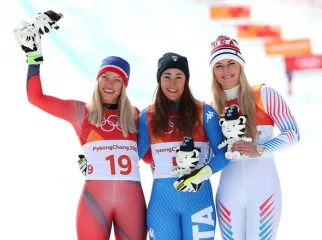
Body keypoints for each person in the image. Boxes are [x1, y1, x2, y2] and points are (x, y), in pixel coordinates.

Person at [15, 14, 147, 240]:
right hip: (94, 204)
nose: (109, 84)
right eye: (105, 77)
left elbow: (150, 154)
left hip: (131, 203)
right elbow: (36, 98)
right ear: (97, 80)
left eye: (117, 80)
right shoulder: (81, 113)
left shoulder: (135, 116)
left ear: (124, 86)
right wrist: (33, 57)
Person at [209, 35, 300, 240]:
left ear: (241, 65)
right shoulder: (212, 108)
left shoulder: (264, 94)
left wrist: (260, 149)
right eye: (219, 65)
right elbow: (207, 153)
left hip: (263, 188)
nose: (226, 71)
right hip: (228, 190)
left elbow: (293, 133)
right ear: (213, 71)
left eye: (231, 63)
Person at [138, 52, 229, 240]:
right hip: (162, 205)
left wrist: (203, 173)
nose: (173, 84)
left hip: (198, 201)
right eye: (167, 77)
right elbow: (133, 155)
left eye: (179, 77)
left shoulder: (204, 112)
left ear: (186, 80)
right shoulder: (147, 116)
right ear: (159, 80)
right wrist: (93, 163)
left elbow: (224, 154)